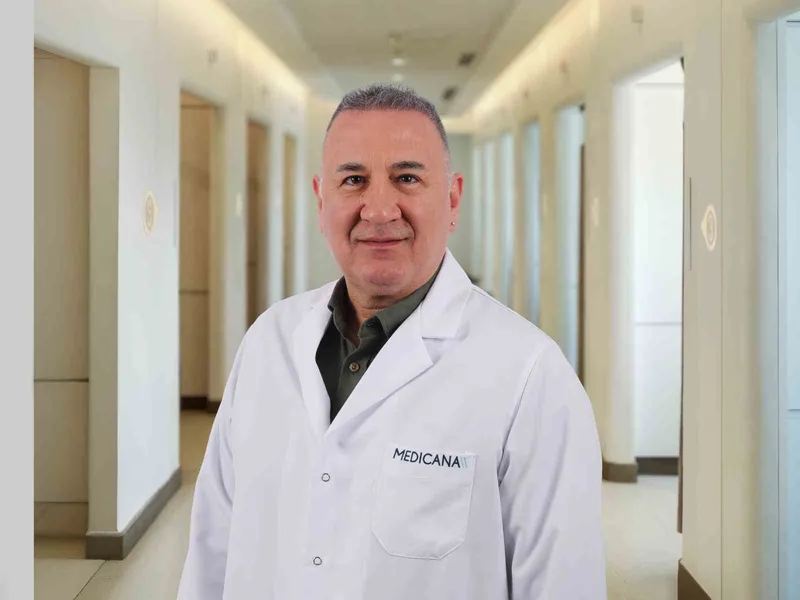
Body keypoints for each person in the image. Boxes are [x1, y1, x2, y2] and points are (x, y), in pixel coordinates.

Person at [177, 84, 606, 600]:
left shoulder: (530, 375)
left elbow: (563, 584)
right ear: (321, 200)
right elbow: (213, 546)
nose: (379, 210)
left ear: (452, 199)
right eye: (353, 180)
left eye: (407, 178)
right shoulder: (269, 341)